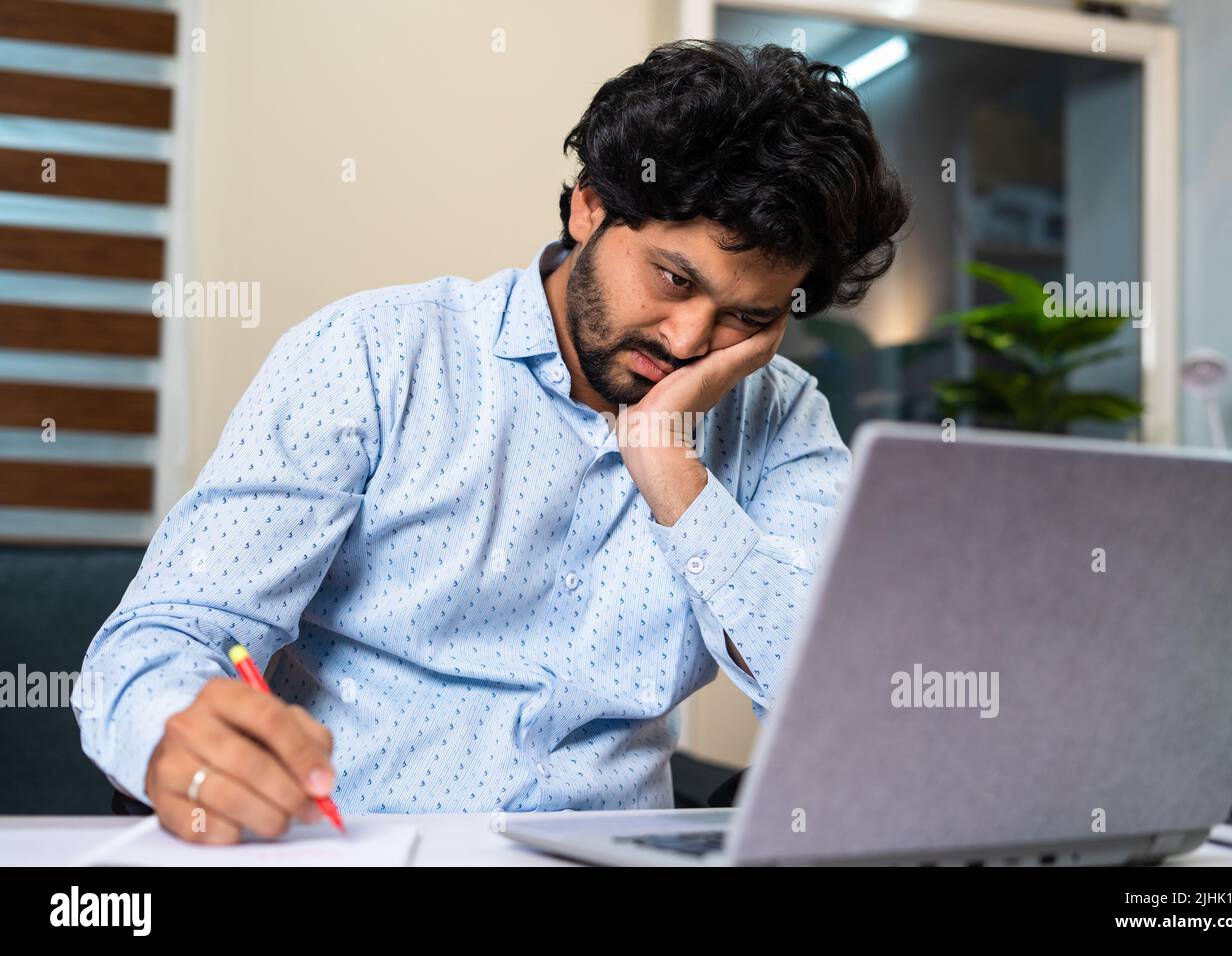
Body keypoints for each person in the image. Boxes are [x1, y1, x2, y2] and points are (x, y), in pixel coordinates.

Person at [74, 39, 910, 843]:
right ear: (590, 206)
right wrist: (170, 736)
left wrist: (671, 469)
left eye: (749, 317)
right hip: (361, 847)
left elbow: (837, 710)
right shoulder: (375, 354)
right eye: (673, 278)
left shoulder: (782, 416)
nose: (693, 339)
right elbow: (168, 638)